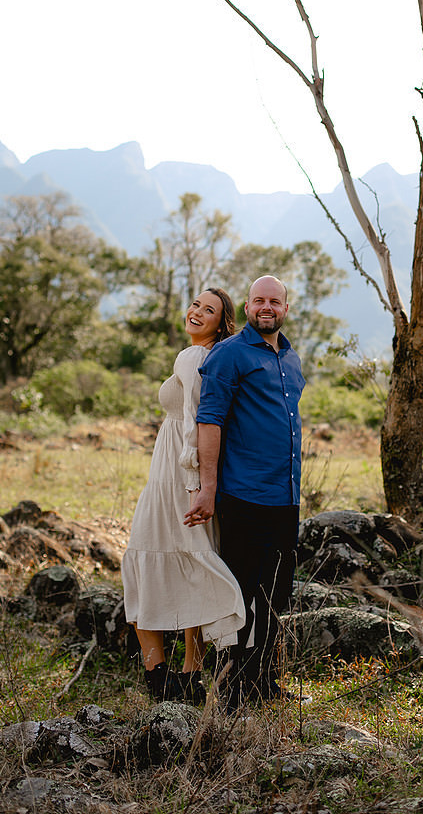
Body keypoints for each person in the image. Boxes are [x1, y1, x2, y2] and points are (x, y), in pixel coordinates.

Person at [122, 288, 246, 704]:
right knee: (189, 558)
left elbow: (198, 417)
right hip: (178, 469)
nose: (196, 312)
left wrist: (194, 483)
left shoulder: (193, 357)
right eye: (195, 304)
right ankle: (190, 673)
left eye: (208, 310)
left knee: (146, 554)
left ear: (221, 321)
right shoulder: (209, 355)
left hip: (177, 474)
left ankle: (157, 675)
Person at [187, 275, 305, 708]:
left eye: (274, 301)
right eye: (259, 300)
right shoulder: (229, 354)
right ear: (249, 307)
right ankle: (233, 686)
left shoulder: (290, 358)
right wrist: (208, 488)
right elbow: (210, 420)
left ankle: (264, 681)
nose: (266, 307)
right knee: (240, 592)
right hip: (243, 495)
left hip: (285, 497)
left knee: (276, 594)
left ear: (285, 308)